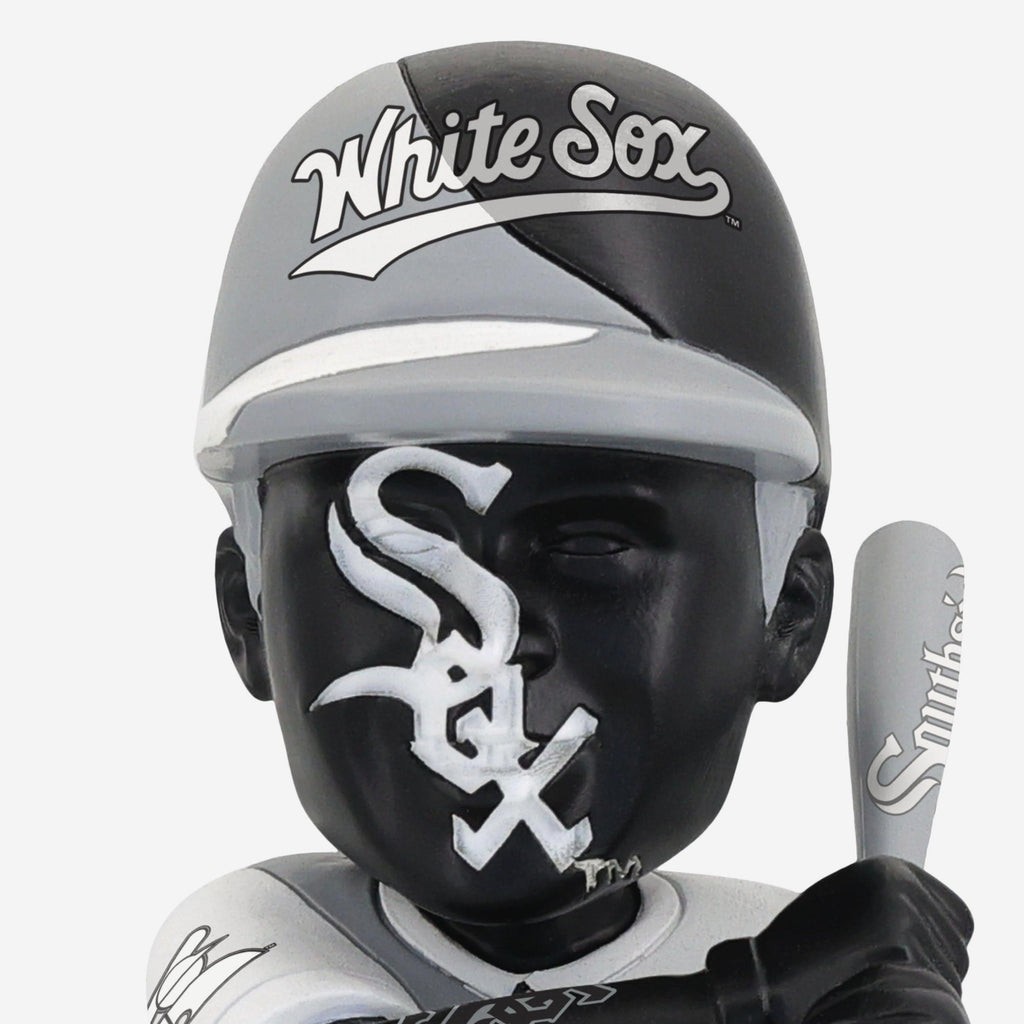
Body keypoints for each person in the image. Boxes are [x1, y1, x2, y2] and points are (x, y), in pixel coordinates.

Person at [148, 42, 972, 1024]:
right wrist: (751, 991)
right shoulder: (255, 932)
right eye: (395, 548)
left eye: (589, 546)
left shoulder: (800, 942)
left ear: (787, 615)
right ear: (247, 614)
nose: (495, 633)